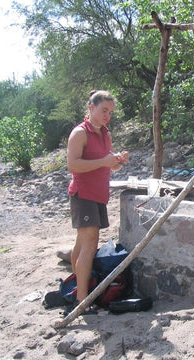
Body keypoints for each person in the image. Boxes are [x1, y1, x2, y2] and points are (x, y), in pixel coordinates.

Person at [66, 90, 129, 311]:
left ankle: (77, 284)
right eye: (104, 111)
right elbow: (73, 165)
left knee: (82, 243)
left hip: (98, 194)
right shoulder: (80, 133)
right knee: (90, 244)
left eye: (110, 112)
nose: (107, 116)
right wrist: (104, 160)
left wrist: (118, 161)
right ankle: (83, 300)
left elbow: (107, 164)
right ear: (91, 108)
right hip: (83, 195)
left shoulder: (104, 133)